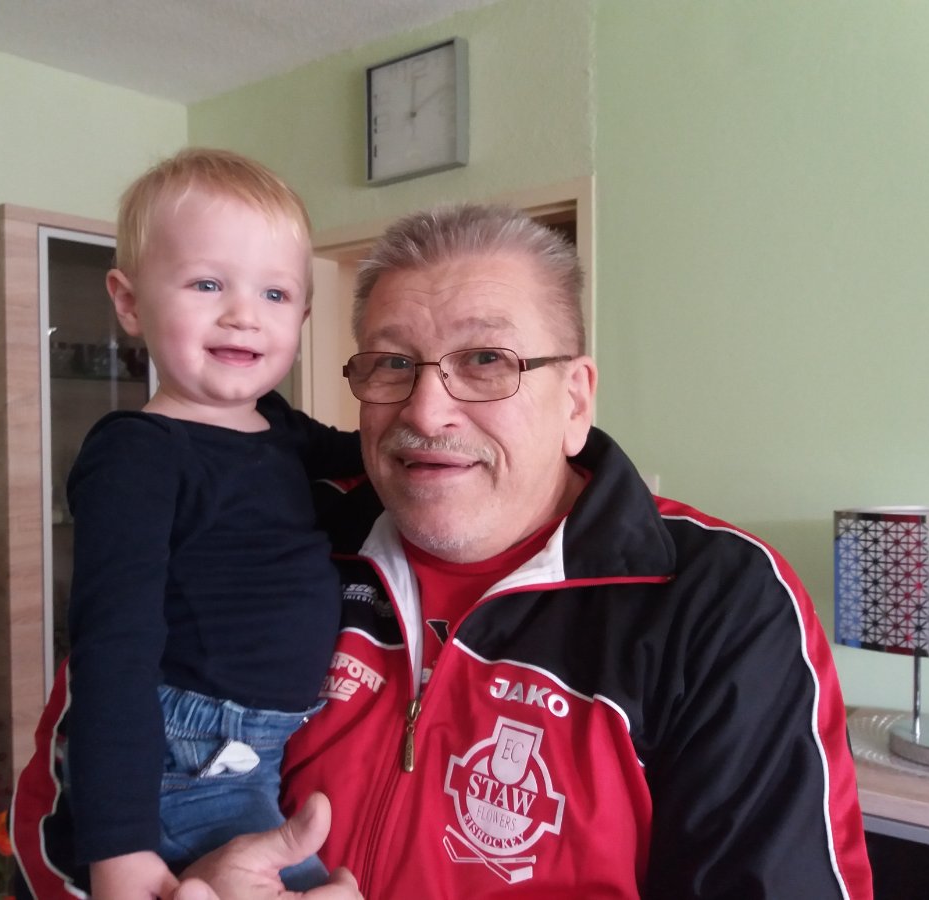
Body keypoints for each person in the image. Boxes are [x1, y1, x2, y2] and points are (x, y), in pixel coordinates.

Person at [172, 202, 875, 899]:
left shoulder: (718, 598)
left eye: (485, 360)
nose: (425, 410)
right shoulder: (281, 543)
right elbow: (122, 780)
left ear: (575, 401)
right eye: (392, 363)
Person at [9, 148, 362, 900]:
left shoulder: (278, 426)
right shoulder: (136, 453)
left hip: (258, 750)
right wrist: (120, 849)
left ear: (301, 317)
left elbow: (377, 455)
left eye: (275, 293)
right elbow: (114, 651)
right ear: (129, 302)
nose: (244, 314)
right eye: (207, 284)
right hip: (188, 758)